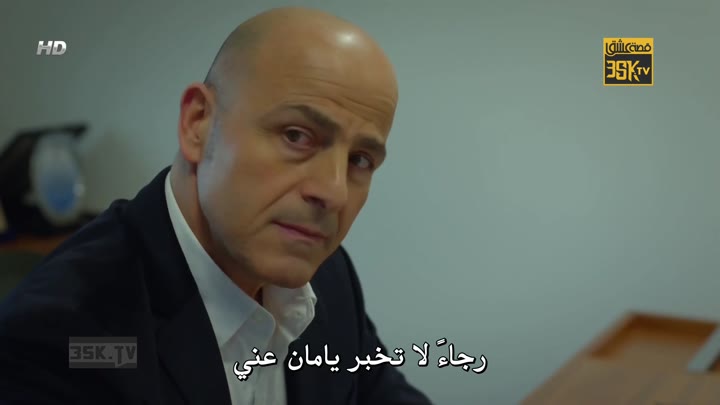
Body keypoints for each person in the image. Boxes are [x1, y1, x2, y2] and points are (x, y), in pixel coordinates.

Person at [0, 6, 433, 405]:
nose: (334, 192)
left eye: (360, 160)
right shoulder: (58, 340)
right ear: (198, 124)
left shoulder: (330, 278)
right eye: (297, 136)